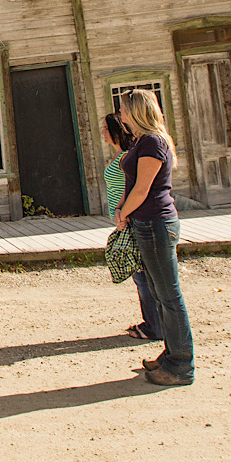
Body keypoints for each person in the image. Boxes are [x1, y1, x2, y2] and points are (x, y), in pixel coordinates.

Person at [112, 89, 194, 386]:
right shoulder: (140, 141)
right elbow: (131, 181)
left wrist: (124, 213)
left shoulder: (152, 142)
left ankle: (181, 365)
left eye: (122, 109)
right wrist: (123, 208)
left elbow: (144, 187)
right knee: (159, 294)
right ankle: (170, 355)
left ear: (136, 111)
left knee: (169, 296)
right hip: (145, 223)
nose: (119, 115)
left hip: (157, 224)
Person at [101, 112, 161, 342]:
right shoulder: (120, 155)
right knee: (139, 274)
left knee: (142, 275)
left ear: (116, 130)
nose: (103, 133)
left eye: (106, 128)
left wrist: (123, 212)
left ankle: (154, 326)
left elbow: (133, 186)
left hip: (130, 219)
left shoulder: (128, 155)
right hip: (123, 220)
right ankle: (151, 322)